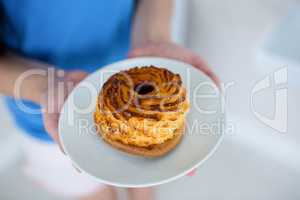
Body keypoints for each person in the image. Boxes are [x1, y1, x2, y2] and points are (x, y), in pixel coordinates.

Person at [0, 0, 218, 199]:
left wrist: (154, 38)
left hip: (132, 61)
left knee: (145, 184)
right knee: (92, 192)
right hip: (51, 115)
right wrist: (47, 86)